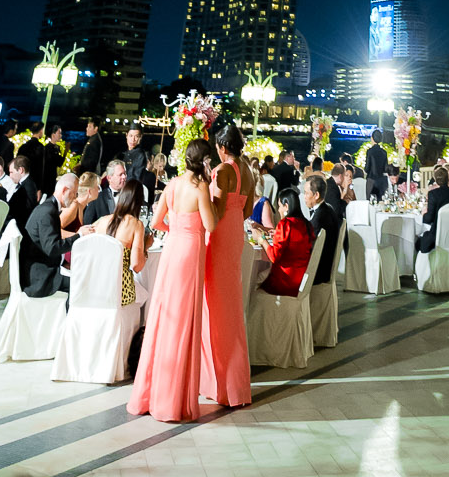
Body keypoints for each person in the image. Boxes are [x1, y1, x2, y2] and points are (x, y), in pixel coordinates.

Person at [129, 139, 220, 422]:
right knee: (184, 319)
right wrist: (214, 202)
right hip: (190, 251)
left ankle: (152, 393)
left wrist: (177, 228)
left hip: (172, 249)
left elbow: (156, 222)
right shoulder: (200, 187)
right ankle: (173, 399)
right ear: (204, 161)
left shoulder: (173, 184)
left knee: (165, 316)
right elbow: (211, 224)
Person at [200, 123, 254, 408]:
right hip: (236, 235)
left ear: (222, 147)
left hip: (220, 237)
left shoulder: (222, 170)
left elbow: (216, 212)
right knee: (230, 305)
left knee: (215, 307)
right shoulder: (248, 171)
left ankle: (218, 384)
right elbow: (248, 209)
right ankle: (234, 383)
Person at [76, 178, 147, 309]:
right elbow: (136, 265)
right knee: (145, 294)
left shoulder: (102, 221)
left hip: (96, 286)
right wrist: (146, 247)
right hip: (120, 290)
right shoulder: (136, 225)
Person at [22, 175, 75, 296]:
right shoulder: (47, 211)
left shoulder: (49, 207)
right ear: (65, 190)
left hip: (43, 268)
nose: (75, 197)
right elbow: (51, 248)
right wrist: (79, 236)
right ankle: (68, 309)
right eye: (74, 193)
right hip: (39, 277)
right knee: (81, 284)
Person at [260, 188, 316, 294]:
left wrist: (262, 239)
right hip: (301, 279)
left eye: (279, 206)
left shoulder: (286, 224)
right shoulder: (306, 224)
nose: (278, 210)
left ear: (286, 206)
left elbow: (274, 257)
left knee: (255, 281)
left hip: (285, 280)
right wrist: (277, 233)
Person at [302, 171, 343, 281]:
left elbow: (308, 246)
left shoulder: (320, 217)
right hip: (324, 267)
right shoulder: (328, 208)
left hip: (317, 272)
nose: (304, 197)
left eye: (306, 193)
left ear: (316, 195)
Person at [419, 166, 449, 253]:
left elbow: (429, 219)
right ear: (448, 179)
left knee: (418, 242)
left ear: (436, 180)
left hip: (437, 238)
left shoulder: (433, 194)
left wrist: (423, 215)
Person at [4, 155, 38, 234]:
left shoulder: (27, 186)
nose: (10, 176)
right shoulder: (26, 183)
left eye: (11, 172)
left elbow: (26, 211)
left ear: (21, 170)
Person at [363, 130, 389, 203]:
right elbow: (385, 168)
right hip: (381, 181)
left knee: (370, 202)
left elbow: (367, 168)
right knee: (380, 202)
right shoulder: (384, 152)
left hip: (371, 180)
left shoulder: (370, 151)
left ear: (372, 138)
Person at [43, 124, 67, 194]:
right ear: (53, 135)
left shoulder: (56, 148)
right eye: (59, 133)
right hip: (47, 180)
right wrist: (65, 151)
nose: (61, 135)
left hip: (52, 178)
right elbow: (58, 162)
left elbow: (59, 163)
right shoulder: (48, 148)